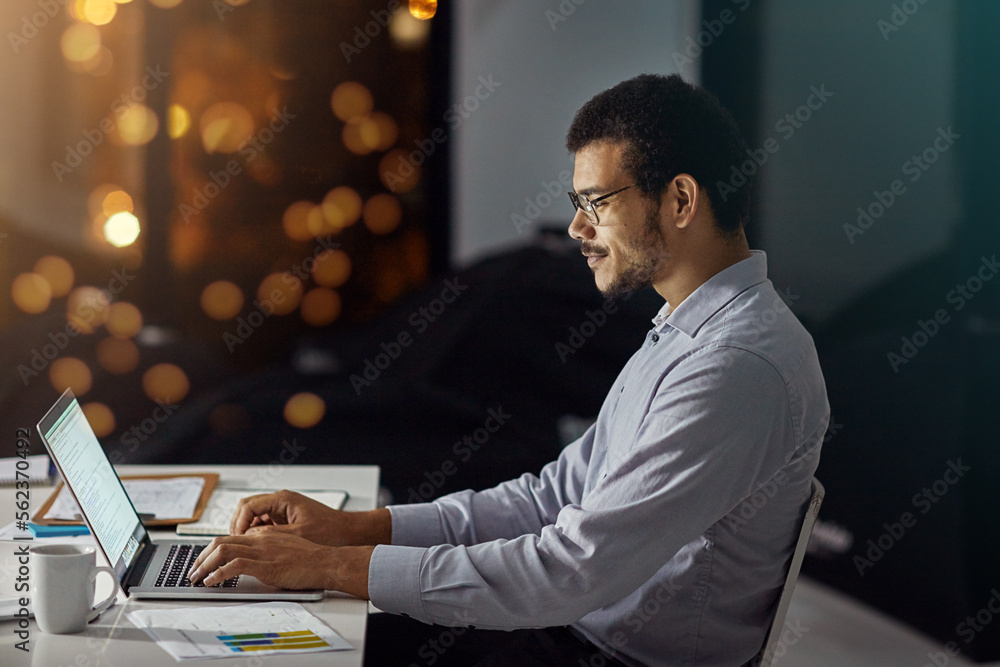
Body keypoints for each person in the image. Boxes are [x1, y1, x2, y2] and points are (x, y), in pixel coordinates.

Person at [189, 73, 830, 666]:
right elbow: (549, 499)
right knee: (276, 632)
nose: (577, 227)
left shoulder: (733, 367)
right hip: (570, 633)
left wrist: (331, 567)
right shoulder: (687, 329)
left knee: (279, 648)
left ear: (681, 199)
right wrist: (351, 529)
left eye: (596, 202)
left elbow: (563, 573)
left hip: (597, 655)